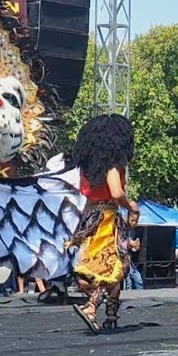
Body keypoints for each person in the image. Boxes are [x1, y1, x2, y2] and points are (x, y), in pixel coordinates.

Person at [65, 114, 137, 333]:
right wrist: (131, 205)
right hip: (106, 219)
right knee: (114, 267)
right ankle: (92, 307)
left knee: (104, 268)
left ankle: (111, 315)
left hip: (89, 216)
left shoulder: (88, 167)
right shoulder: (112, 165)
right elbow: (116, 192)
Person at [123, 210, 144, 291]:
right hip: (120, 259)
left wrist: (135, 248)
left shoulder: (133, 232)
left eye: (136, 221)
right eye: (132, 220)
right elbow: (121, 241)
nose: (134, 223)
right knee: (128, 282)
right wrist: (130, 242)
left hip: (129, 260)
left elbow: (131, 247)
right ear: (127, 218)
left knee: (138, 279)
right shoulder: (122, 228)